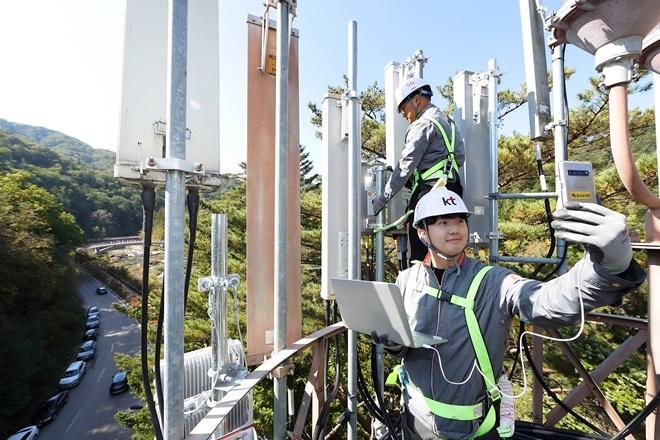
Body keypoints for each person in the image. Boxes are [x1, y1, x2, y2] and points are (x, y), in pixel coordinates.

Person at [376, 186, 645, 439]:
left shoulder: (493, 281)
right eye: (442, 223)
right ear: (422, 233)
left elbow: (545, 301)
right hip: (413, 419)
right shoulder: (407, 280)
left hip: (472, 430)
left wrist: (610, 267)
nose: (454, 229)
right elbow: (406, 346)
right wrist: (393, 344)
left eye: (459, 220)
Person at [372, 76, 466, 265]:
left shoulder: (423, 124)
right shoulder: (448, 122)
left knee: (420, 249)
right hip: (453, 191)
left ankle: (422, 291)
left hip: (429, 193)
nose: (403, 115)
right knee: (448, 249)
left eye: (403, 108)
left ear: (416, 99)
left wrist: (383, 198)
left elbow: (405, 165)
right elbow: (460, 157)